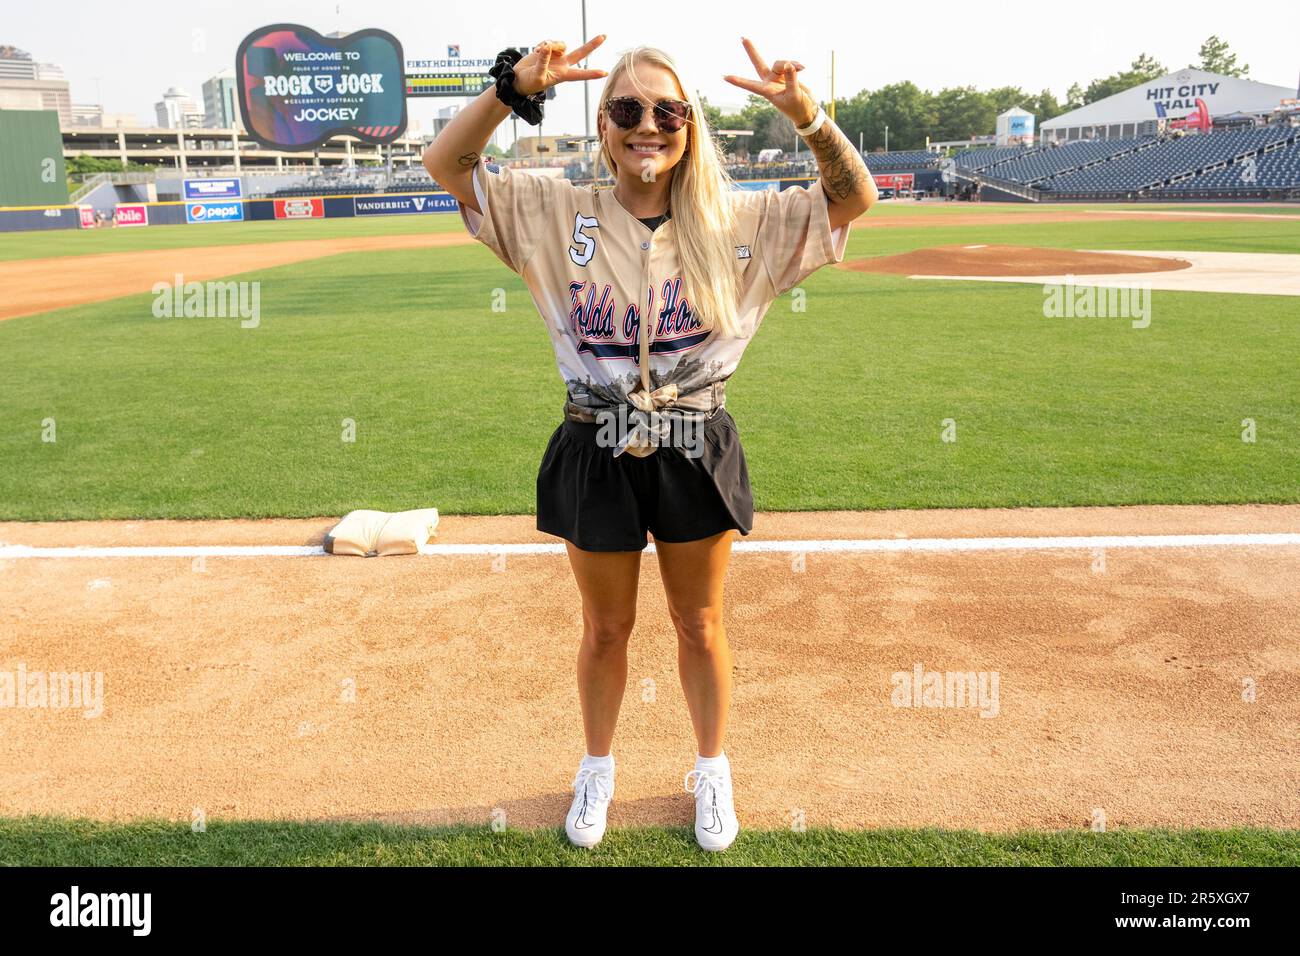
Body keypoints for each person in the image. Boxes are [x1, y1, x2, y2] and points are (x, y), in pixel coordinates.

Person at [423, 36, 876, 853]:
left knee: (699, 623)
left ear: (691, 126)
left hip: (693, 442)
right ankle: (597, 768)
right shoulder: (552, 211)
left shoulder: (742, 222)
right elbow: (448, 165)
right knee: (605, 628)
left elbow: (853, 201)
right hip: (594, 442)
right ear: (603, 127)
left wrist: (806, 115)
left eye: (668, 112)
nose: (648, 127)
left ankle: (711, 770)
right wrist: (510, 90)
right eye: (627, 111)